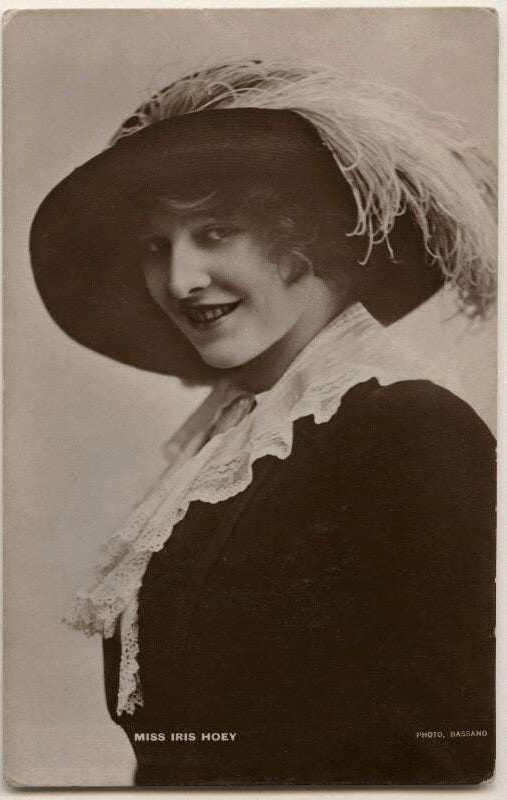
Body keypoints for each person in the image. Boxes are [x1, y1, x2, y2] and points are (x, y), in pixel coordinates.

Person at [29, 59, 496, 786]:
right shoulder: (229, 442)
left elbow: (450, 756)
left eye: (216, 232)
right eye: (155, 245)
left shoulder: (409, 428)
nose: (179, 280)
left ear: (311, 236)